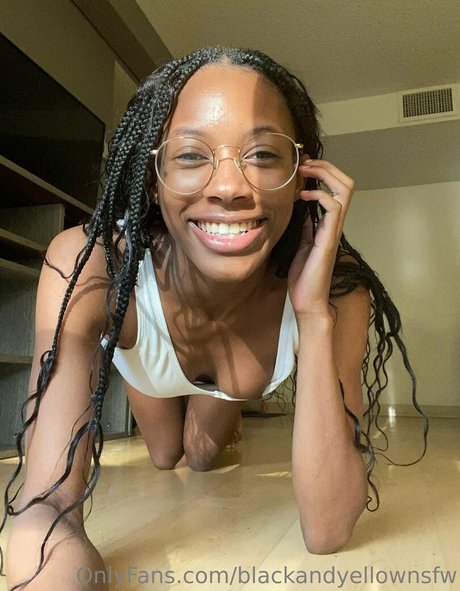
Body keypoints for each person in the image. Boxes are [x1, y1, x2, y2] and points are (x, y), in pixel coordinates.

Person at [1, 46, 428, 590]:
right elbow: (45, 507)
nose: (230, 188)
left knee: (202, 458)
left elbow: (327, 530)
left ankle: (221, 412)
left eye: (263, 154)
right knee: (164, 455)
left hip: (231, 381)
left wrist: (313, 316)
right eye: (190, 155)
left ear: (301, 175)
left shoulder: (337, 287)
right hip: (150, 362)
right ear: (152, 177)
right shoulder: (94, 265)